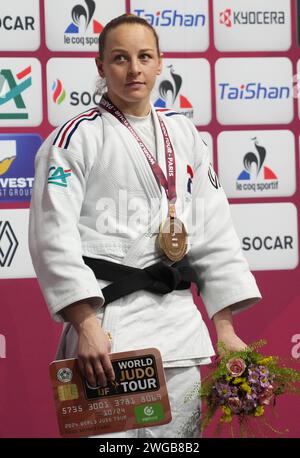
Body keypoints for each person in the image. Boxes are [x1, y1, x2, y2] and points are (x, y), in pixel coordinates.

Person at [29, 14, 261, 438]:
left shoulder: (185, 134)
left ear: (159, 64)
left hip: (179, 334)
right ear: (101, 67)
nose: (133, 69)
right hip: (106, 338)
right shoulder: (74, 138)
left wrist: (224, 328)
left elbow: (213, 231)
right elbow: (52, 237)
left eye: (143, 57)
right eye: (120, 58)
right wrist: (85, 324)